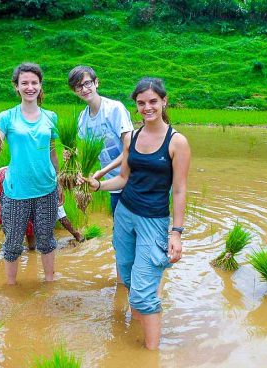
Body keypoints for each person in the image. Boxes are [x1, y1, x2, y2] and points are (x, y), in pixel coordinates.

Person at [84, 78, 191, 350]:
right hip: (125, 214)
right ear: (136, 106)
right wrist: (99, 185)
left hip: (153, 221)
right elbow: (122, 179)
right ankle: (138, 329)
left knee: (143, 294)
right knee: (130, 278)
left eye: (153, 101)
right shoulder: (132, 136)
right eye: (141, 103)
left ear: (164, 101)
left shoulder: (177, 142)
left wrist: (176, 234)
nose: (147, 107)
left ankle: (150, 354)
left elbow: (178, 191)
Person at [0, 63, 62, 284]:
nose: (30, 87)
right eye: (25, 83)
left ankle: (49, 283)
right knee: (12, 243)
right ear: (16, 87)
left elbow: (52, 153)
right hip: (16, 191)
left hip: (46, 189)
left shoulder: (51, 117)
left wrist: (59, 181)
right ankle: (11, 288)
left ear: (40, 86)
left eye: (34, 83)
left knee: (46, 240)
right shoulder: (6, 118)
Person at [68, 66, 134, 215]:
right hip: (115, 186)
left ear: (96, 83)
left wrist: (102, 171)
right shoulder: (82, 119)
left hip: (136, 181)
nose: (84, 89)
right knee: (120, 233)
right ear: (74, 91)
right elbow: (85, 152)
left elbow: (130, 148)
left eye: (87, 83)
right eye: (78, 86)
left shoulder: (114, 109)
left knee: (144, 232)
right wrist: (72, 155)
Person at [0, 166, 83, 247]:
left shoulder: (49, 177)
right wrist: (77, 235)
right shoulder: (51, 190)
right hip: (14, 182)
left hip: (3, 173)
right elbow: (62, 218)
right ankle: (29, 250)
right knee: (27, 220)